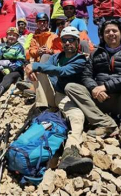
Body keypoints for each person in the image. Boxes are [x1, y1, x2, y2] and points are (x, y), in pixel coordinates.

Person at [65, 20, 121, 157]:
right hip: (99, 100)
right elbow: (86, 75)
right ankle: (106, 124)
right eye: (107, 31)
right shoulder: (95, 53)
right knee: (71, 87)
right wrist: (94, 88)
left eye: (114, 31)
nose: (111, 34)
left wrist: (106, 87)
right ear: (102, 35)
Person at [24, 27, 93, 175]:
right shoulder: (56, 57)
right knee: (40, 70)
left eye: (71, 40)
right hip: (55, 94)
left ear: (77, 42)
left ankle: (70, 151)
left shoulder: (81, 59)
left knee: (77, 117)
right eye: (65, 40)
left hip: (68, 96)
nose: (68, 43)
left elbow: (64, 71)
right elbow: (48, 68)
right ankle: (43, 109)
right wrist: (33, 70)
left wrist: (35, 65)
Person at [0, 27, 26, 99]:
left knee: (8, 77)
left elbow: (21, 61)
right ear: (6, 36)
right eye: (10, 35)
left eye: (14, 35)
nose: (11, 37)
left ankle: (0, 89)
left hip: (15, 70)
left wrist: (10, 69)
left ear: (17, 37)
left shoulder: (19, 47)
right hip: (1, 68)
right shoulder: (1, 46)